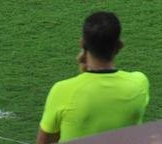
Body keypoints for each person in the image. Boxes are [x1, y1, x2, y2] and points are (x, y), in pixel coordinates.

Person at [36, 11, 150, 143]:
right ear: (119, 46)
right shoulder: (139, 83)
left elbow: (45, 141)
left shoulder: (62, 90)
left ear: (82, 43)